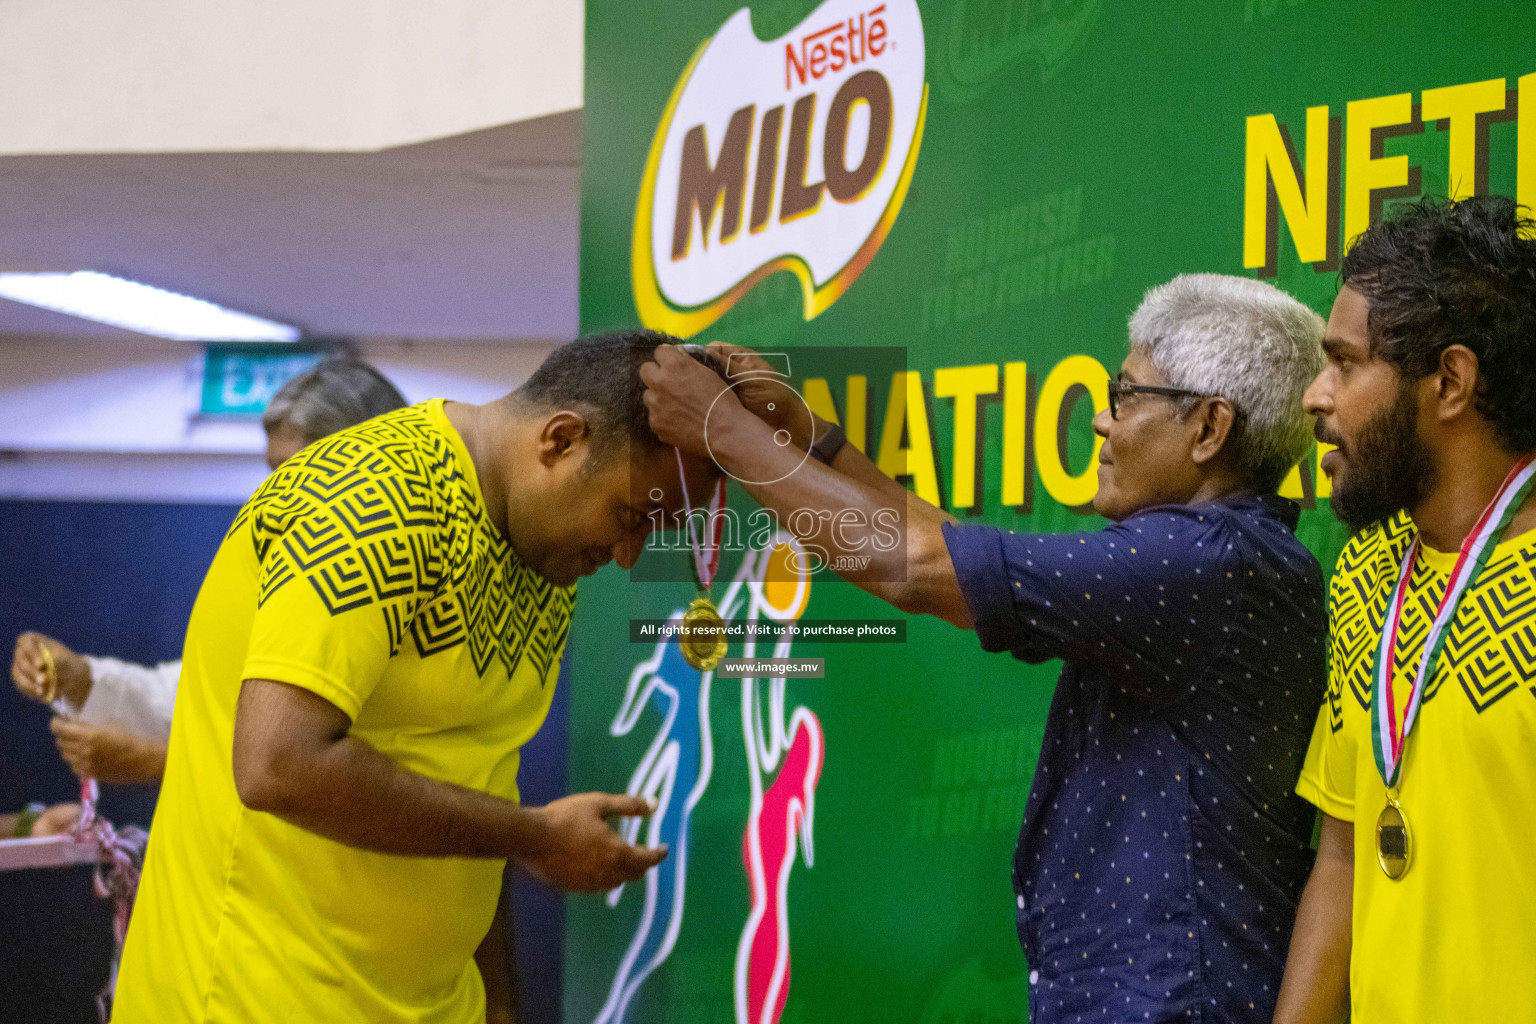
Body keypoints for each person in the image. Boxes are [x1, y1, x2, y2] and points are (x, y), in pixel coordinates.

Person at [641, 274, 1329, 1023]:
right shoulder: (1221, 559)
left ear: (1209, 428)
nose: (1101, 420)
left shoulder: (1201, 564)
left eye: (1125, 394)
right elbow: (942, 546)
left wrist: (724, 431)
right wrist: (807, 436)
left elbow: (913, 565)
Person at [110, 331, 720, 1024]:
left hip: (427, 1003)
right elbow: (278, 763)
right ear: (560, 440)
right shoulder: (373, 498)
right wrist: (534, 836)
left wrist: (498, 1005)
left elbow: (477, 785)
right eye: (632, 516)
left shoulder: (542, 553)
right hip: (255, 1000)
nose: (628, 552)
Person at [1272, 195, 1536, 1024]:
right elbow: (1345, 859)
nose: (1316, 395)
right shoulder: (1366, 570)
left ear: (1449, 381)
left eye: (1345, 363)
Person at [8, 357, 409, 784]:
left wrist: (162, 764)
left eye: (300, 473)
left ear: (371, 469)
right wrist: (80, 677)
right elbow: (200, 695)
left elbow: (344, 774)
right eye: (273, 474)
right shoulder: (278, 573)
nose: (277, 496)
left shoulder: (407, 591)